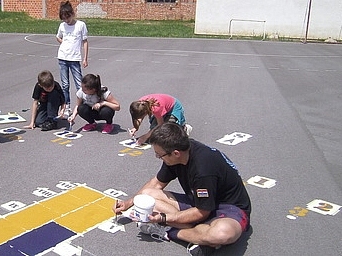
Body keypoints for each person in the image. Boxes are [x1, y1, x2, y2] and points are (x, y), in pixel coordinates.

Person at [113, 122, 251, 256]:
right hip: (199, 200)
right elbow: (155, 184)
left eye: (159, 155)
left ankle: (170, 231)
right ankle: (200, 236)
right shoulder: (179, 151)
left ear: (176, 153)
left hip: (229, 207)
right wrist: (129, 202)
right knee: (146, 194)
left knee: (222, 234)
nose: (158, 158)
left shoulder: (202, 170)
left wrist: (163, 218)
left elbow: (202, 212)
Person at [56, 0, 89, 117]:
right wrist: (63, 43)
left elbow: (85, 42)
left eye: (67, 18)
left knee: (79, 83)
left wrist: (85, 58)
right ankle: (67, 106)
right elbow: (58, 37)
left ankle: (83, 104)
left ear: (72, 14)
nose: (66, 20)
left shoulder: (80, 25)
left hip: (75, 58)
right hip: (63, 57)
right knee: (65, 84)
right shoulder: (62, 26)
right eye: (64, 18)